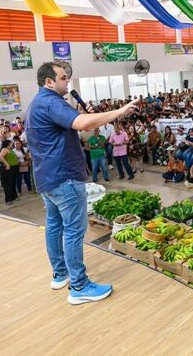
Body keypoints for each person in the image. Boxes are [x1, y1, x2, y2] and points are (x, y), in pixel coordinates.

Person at [25, 62, 137, 305]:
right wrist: (118, 112)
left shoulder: (37, 102)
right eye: (64, 78)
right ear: (49, 82)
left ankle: (60, 273)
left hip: (47, 177)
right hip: (64, 177)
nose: (68, 82)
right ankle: (79, 286)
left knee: (55, 225)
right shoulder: (51, 102)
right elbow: (83, 124)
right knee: (74, 230)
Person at [0, 140, 19, 205]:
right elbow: (0, 157)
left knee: (13, 183)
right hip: (9, 169)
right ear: (8, 144)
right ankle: (8, 199)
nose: (12, 144)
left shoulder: (11, 150)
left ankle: (14, 196)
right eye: (11, 143)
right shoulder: (5, 149)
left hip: (14, 168)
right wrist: (7, 164)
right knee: (8, 184)